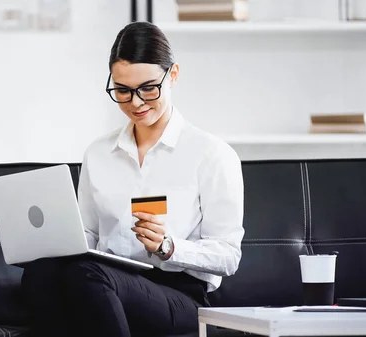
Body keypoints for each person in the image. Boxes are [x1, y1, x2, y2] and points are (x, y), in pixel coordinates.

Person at [21, 21, 245, 337]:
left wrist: (170, 247)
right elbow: (87, 232)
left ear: (174, 75)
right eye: (123, 91)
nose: (136, 103)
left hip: (179, 294)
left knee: (87, 275)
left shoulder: (212, 154)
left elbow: (228, 255)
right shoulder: (99, 153)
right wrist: (55, 241)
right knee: (41, 272)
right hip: (101, 281)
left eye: (148, 88)